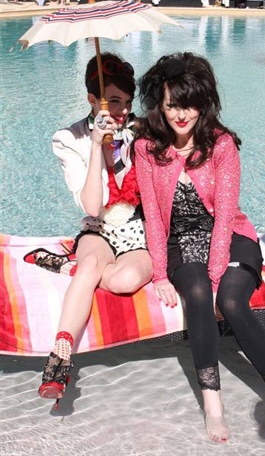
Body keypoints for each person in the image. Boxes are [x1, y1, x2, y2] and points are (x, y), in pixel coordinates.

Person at [133, 52, 265, 446]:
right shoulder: (146, 148)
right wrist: (160, 272)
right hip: (180, 240)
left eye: (190, 104)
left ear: (204, 102)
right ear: (160, 102)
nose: (182, 114)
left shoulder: (221, 145)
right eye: (173, 103)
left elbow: (226, 213)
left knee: (230, 301)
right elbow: (154, 219)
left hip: (228, 235)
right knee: (194, 294)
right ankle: (213, 403)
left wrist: (217, 270)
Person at [38, 52, 153, 408]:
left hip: (138, 226)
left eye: (127, 102)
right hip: (99, 227)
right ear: (93, 99)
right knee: (91, 267)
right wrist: (94, 146)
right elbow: (92, 206)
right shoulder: (68, 138)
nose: (122, 111)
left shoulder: (144, 130)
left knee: (124, 280)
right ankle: (60, 357)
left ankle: (71, 268)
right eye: (114, 101)